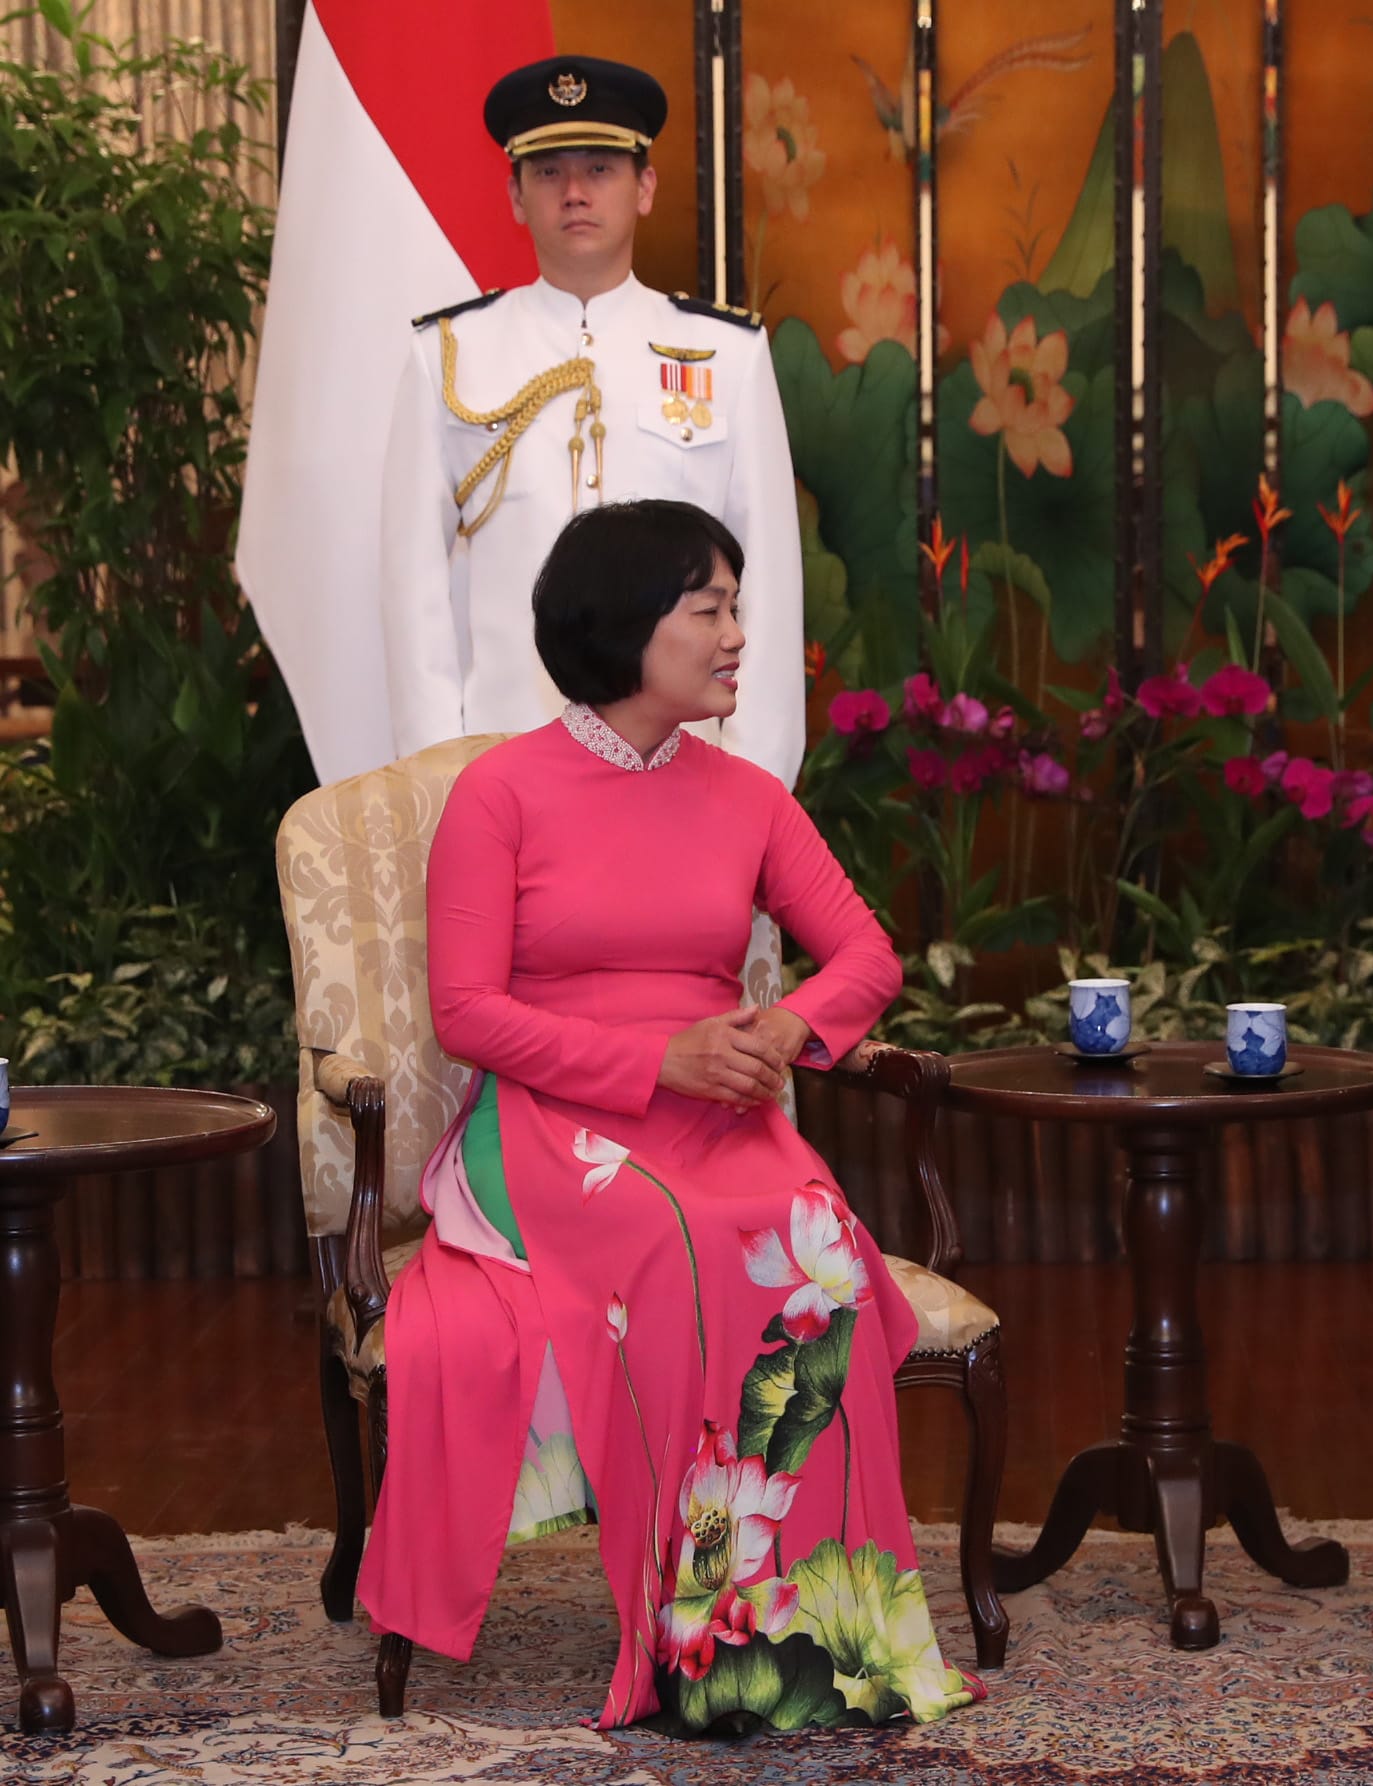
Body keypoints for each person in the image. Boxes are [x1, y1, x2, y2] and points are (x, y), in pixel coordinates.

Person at [357, 500, 980, 1733]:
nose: (738, 635)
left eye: (735, 607)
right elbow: (468, 1014)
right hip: (555, 1120)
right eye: (710, 609)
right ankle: (701, 1647)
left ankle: (830, 1638)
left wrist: (787, 1029)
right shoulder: (499, 794)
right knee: (682, 1243)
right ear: (625, 627)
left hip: (723, 1107)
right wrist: (656, 1060)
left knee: (813, 1242)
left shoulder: (745, 796)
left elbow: (866, 954)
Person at [378, 55, 803, 788]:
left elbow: (766, 579)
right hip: (504, 763)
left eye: (600, 169)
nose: (574, 192)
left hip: (685, 767)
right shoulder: (450, 356)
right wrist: (440, 780)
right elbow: (412, 589)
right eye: (548, 172)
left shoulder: (726, 356)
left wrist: (752, 785)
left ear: (645, 187)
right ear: (515, 195)